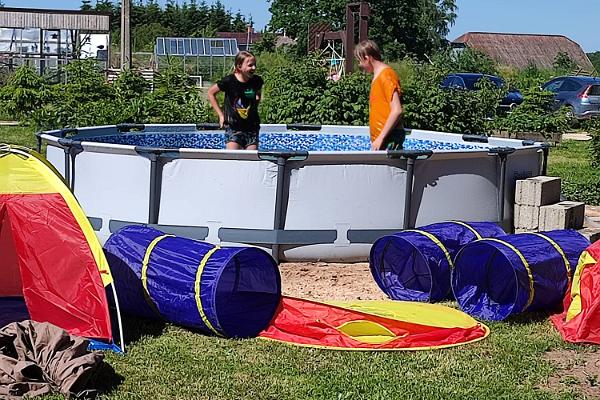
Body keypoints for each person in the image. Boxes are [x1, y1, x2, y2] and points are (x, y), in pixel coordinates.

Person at [354, 40, 405, 151]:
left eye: (360, 61)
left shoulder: (386, 75)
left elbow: (397, 110)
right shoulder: (378, 76)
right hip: (384, 138)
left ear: (367, 58)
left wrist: (381, 138)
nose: (360, 65)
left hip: (389, 137)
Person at [208, 51, 264, 150]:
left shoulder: (257, 81)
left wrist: (254, 106)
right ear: (239, 66)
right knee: (233, 160)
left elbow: (258, 96)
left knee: (251, 161)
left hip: (252, 127)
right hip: (233, 127)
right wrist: (221, 115)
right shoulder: (229, 81)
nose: (254, 68)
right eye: (250, 65)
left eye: (255, 65)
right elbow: (211, 93)